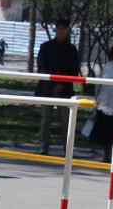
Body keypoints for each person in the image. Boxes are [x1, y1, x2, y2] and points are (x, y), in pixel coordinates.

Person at [34, 19, 81, 155]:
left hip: (65, 90)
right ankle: (43, 148)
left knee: (66, 122)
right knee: (45, 121)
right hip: (47, 89)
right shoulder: (46, 47)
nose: (61, 31)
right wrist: (52, 86)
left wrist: (61, 85)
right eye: (58, 28)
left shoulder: (71, 50)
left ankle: (67, 150)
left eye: (64, 28)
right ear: (55, 30)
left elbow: (74, 71)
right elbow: (42, 68)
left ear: (67, 31)